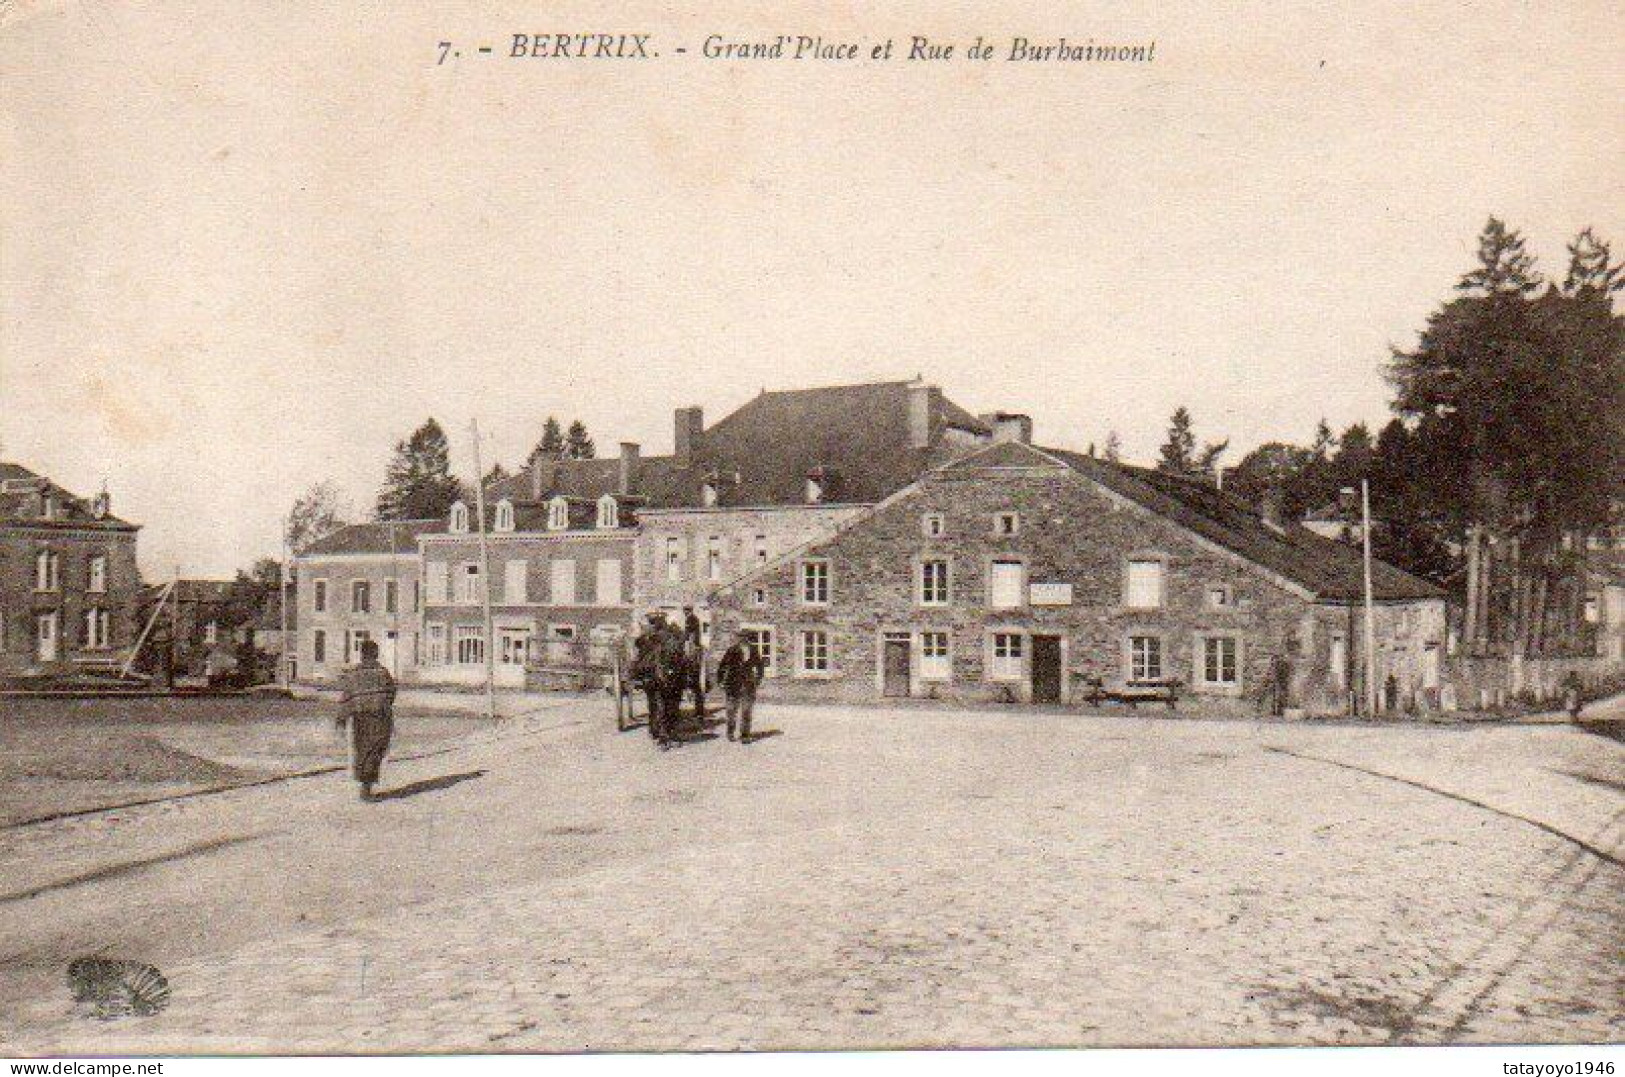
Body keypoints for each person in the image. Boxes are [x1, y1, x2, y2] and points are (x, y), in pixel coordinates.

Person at [339, 638, 397, 801]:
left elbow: (346, 696)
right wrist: (382, 704)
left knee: (363, 749)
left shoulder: (353, 673)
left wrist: (342, 717)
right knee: (376, 749)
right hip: (379, 717)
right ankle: (366, 787)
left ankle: (365, 786)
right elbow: (391, 693)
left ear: (362, 654)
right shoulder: (382, 672)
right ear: (375, 654)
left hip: (360, 717)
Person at [716, 628, 765, 743]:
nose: (743, 639)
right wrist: (720, 681)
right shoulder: (732, 650)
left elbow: (760, 666)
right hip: (733, 684)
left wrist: (757, 679)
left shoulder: (753, 651)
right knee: (731, 710)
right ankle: (730, 732)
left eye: (746, 637)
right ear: (738, 638)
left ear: (748, 639)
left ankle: (745, 735)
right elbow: (723, 666)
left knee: (746, 710)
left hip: (748, 685)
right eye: (741, 637)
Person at [682, 606, 708, 718]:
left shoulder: (691, 619)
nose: (685, 613)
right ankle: (699, 711)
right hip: (694, 644)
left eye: (686, 611)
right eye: (685, 611)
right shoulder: (693, 619)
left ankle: (699, 711)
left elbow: (688, 635)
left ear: (689, 611)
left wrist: (683, 640)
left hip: (693, 644)